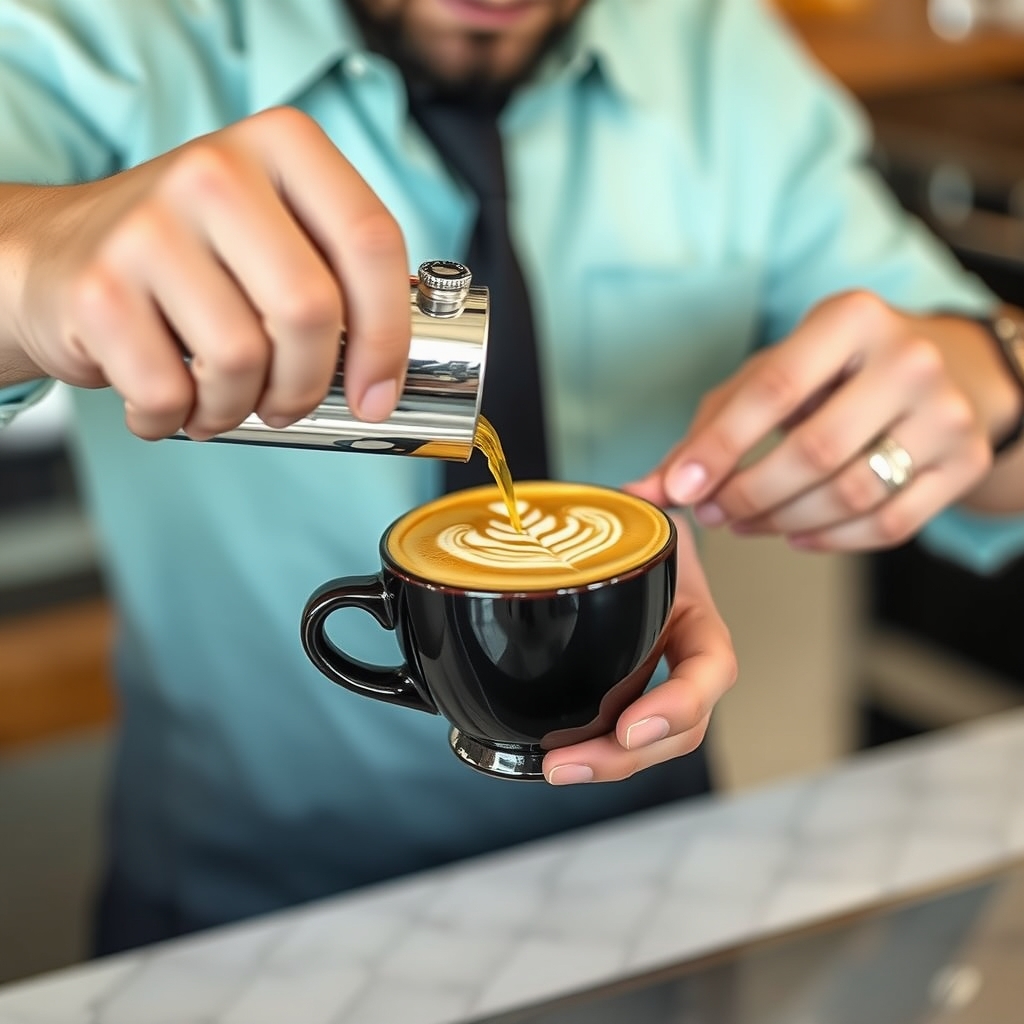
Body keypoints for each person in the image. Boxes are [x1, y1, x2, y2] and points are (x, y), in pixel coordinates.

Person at [1, 0, 1023, 954]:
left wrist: (987, 383)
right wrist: (31, 260)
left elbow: (974, 406)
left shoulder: (713, 46)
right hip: (243, 902)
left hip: (654, 875)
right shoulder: (105, 32)